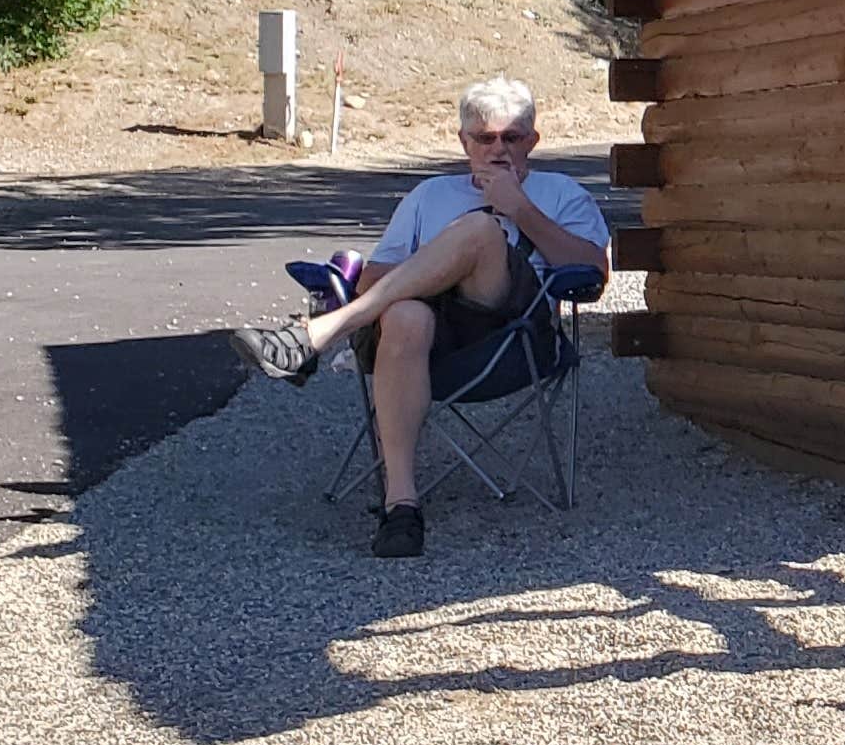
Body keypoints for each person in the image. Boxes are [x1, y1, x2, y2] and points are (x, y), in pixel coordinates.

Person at [228, 75, 609, 557]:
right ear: (463, 142)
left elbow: (594, 274)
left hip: (509, 340)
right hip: (426, 341)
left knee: (480, 231)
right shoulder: (430, 195)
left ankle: (318, 335)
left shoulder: (561, 193)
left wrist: (520, 210)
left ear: (532, 141)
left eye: (511, 138)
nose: (498, 150)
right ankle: (401, 506)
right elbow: (375, 277)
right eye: (484, 138)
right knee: (406, 315)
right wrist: (436, 266)